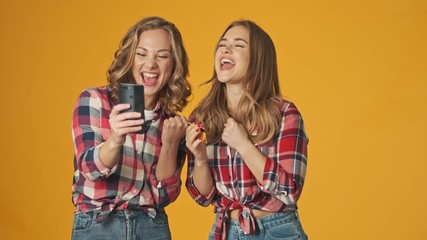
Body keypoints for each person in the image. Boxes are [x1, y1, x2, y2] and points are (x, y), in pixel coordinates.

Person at [185, 20, 308, 240]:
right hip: (225, 230)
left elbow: (289, 192)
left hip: (275, 229)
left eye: (239, 45)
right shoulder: (201, 117)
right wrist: (200, 159)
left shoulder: (284, 114)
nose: (226, 49)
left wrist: (243, 144)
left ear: (258, 60)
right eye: (223, 44)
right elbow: (203, 196)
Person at [71, 16, 191, 240]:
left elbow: (165, 196)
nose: (151, 64)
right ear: (129, 57)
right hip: (99, 224)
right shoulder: (95, 100)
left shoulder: (172, 124)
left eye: (162, 56)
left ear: (173, 64)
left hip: (151, 227)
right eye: (142, 53)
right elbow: (90, 170)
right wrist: (115, 139)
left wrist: (170, 144)